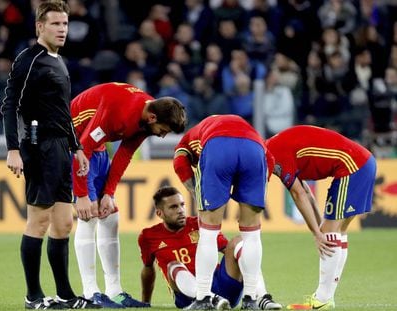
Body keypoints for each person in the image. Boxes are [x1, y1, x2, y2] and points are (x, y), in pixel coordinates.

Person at [0, 1, 97, 309]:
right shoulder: (29, 60)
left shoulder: (58, 61)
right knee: (39, 221)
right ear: (40, 27)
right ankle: (33, 296)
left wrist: (77, 147)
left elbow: (63, 112)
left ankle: (66, 295)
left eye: (65, 24)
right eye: (56, 24)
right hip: (37, 145)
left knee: (64, 223)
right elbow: (10, 105)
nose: (62, 30)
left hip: (59, 148)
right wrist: (14, 148)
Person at [71, 82, 187, 308]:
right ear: (153, 118)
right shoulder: (118, 110)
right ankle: (90, 292)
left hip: (97, 147)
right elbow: (82, 148)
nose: (162, 136)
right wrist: (82, 195)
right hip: (72, 144)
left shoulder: (147, 115)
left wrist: (109, 193)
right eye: (163, 131)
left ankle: (114, 291)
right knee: (89, 215)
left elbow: (125, 153)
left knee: (110, 214)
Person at [265, 125, 376, 310]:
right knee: (337, 231)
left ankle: (322, 300)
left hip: (352, 166)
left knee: (329, 232)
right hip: (362, 162)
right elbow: (306, 192)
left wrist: (318, 233)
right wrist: (318, 228)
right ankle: (326, 298)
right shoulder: (274, 147)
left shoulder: (275, 156)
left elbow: (298, 194)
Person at [173, 114, 276, 310]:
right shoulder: (241, 125)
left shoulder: (188, 140)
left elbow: (179, 163)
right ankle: (251, 299)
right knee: (252, 235)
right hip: (254, 148)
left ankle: (203, 298)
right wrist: (250, 195)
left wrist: (198, 193)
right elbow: (268, 160)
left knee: (209, 232)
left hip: (217, 146)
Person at [138, 186, 282, 310]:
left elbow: (230, 251)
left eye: (182, 205)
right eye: (173, 207)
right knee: (173, 266)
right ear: (159, 213)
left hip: (221, 286)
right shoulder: (148, 236)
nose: (181, 210)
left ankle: (261, 296)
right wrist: (145, 302)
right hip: (188, 298)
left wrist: (244, 269)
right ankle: (208, 299)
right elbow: (148, 269)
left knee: (239, 243)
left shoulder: (199, 224)